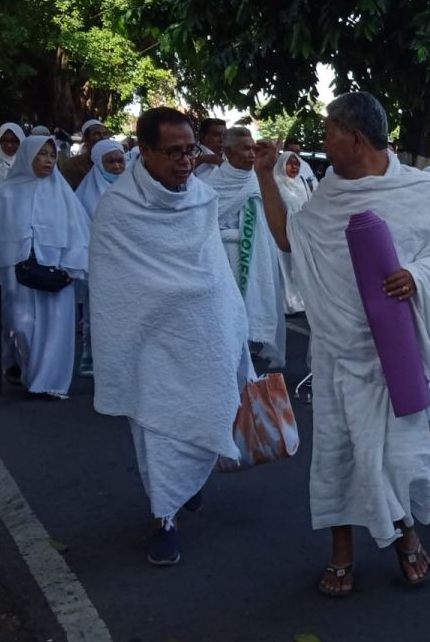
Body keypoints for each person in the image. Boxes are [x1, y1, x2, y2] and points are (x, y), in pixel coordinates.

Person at [253, 91, 430, 597]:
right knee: (338, 454)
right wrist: (265, 175)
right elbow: (292, 239)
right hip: (337, 352)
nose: (323, 142)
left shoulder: (422, 192)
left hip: (395, 354)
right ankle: (341, 553)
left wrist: (417, 275)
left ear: (354, 138)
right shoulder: (329, 196)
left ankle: (404, 535)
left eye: (329, 132)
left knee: (397, 458)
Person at [91, 107, 253, 566]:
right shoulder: (118, 209)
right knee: (157, 425)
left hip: (202, 334)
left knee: (206, 409)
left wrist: (233, 324)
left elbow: (214, 275)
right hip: (148, 340)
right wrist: (162, 307)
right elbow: (114, 290)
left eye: (191, 150)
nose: (186, 160)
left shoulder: (201, 198)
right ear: (144, 151)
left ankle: (188, 483)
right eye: (174, 152)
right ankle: (164, 516)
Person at [0, 136, 90, 399]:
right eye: (41, 154)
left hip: (56, 270)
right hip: (16, 272)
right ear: (28, 156)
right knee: (20, 326)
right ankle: (24, 367)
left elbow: (78, 232)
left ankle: (48, 383)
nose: (48, 160)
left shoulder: (62, 193)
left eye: (52, 155)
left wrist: (73, 266)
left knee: (56, 328)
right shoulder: (5, 192)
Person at [202, 127, 286, 369]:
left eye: (254, 148)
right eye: (245, 149)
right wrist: (235, 236)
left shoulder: (260, 181)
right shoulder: (210, 186)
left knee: (250, 318)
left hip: (258, 257)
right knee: (227, 321)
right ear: (228, 152)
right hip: (224, 260)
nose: (251, 154)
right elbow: (204, 228)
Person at [72, 139, 127, 376]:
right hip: (101, 265)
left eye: (120, 161)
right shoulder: (85, 196)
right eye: (110, 162)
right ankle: (97, 361)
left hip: (131, 265)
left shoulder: (134, 188)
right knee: (99, 315)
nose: (116, 166)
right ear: (98, 164)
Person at [272, 151, 309, 314]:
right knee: (284, 268)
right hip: (282, 233)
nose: (294, 167)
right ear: (282, 164)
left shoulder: (301, 184)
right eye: (290, 163)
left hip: (301, 232)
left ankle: (301, 300)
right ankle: (287, 301)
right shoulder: (276, 184)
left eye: (297, 164)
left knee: (299, 267)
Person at [59, 119, 110, 191]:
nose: (102, 137)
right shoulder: (71, 165)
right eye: (96, 134)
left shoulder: (115, 161)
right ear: (86, 139)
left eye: (105, 134)